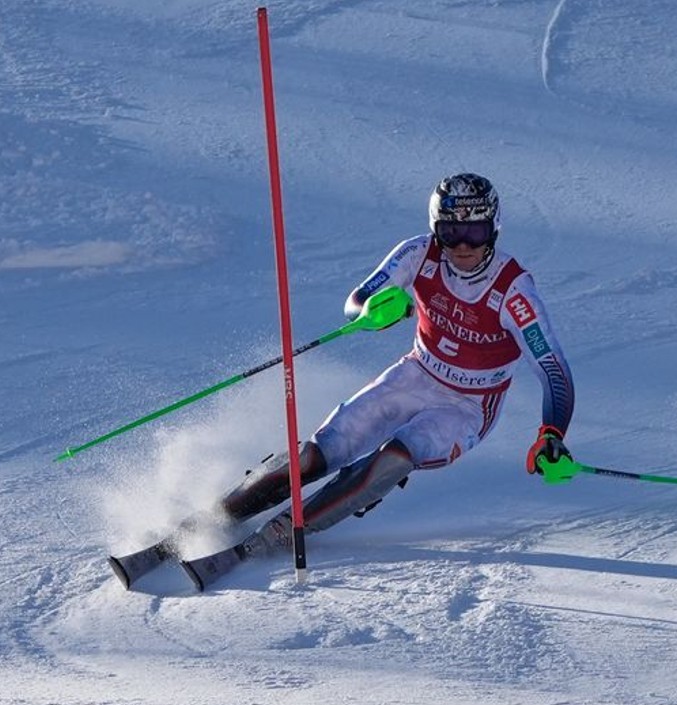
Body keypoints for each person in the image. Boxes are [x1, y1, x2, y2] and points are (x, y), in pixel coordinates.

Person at [214, 172, 577, 535]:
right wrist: (378, 310)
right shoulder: (418, 253)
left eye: (475, 232)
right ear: (436, 230)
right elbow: (355, 303)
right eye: (451, 233)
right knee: (319, 452)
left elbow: (553, 370)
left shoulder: (514, 291)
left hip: (468, 407)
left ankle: (284, 532)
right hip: (415, 375)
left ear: (494, 229)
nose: (463, 246)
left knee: (394, 459)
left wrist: (551, 433)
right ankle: (212, 518)